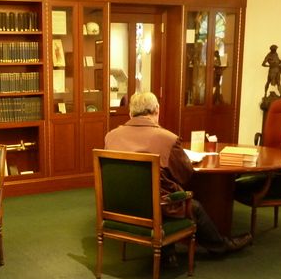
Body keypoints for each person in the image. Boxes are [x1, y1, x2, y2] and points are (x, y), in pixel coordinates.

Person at [104, 91, 252, 256]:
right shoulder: (168, 139)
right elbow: (184, 175)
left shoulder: (111, 137)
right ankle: (221, 245)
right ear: (157, 110)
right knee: (192, 205)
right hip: (155, 208)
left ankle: (168, 252)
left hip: (119, 204)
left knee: (164, 191)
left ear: (130, 113)